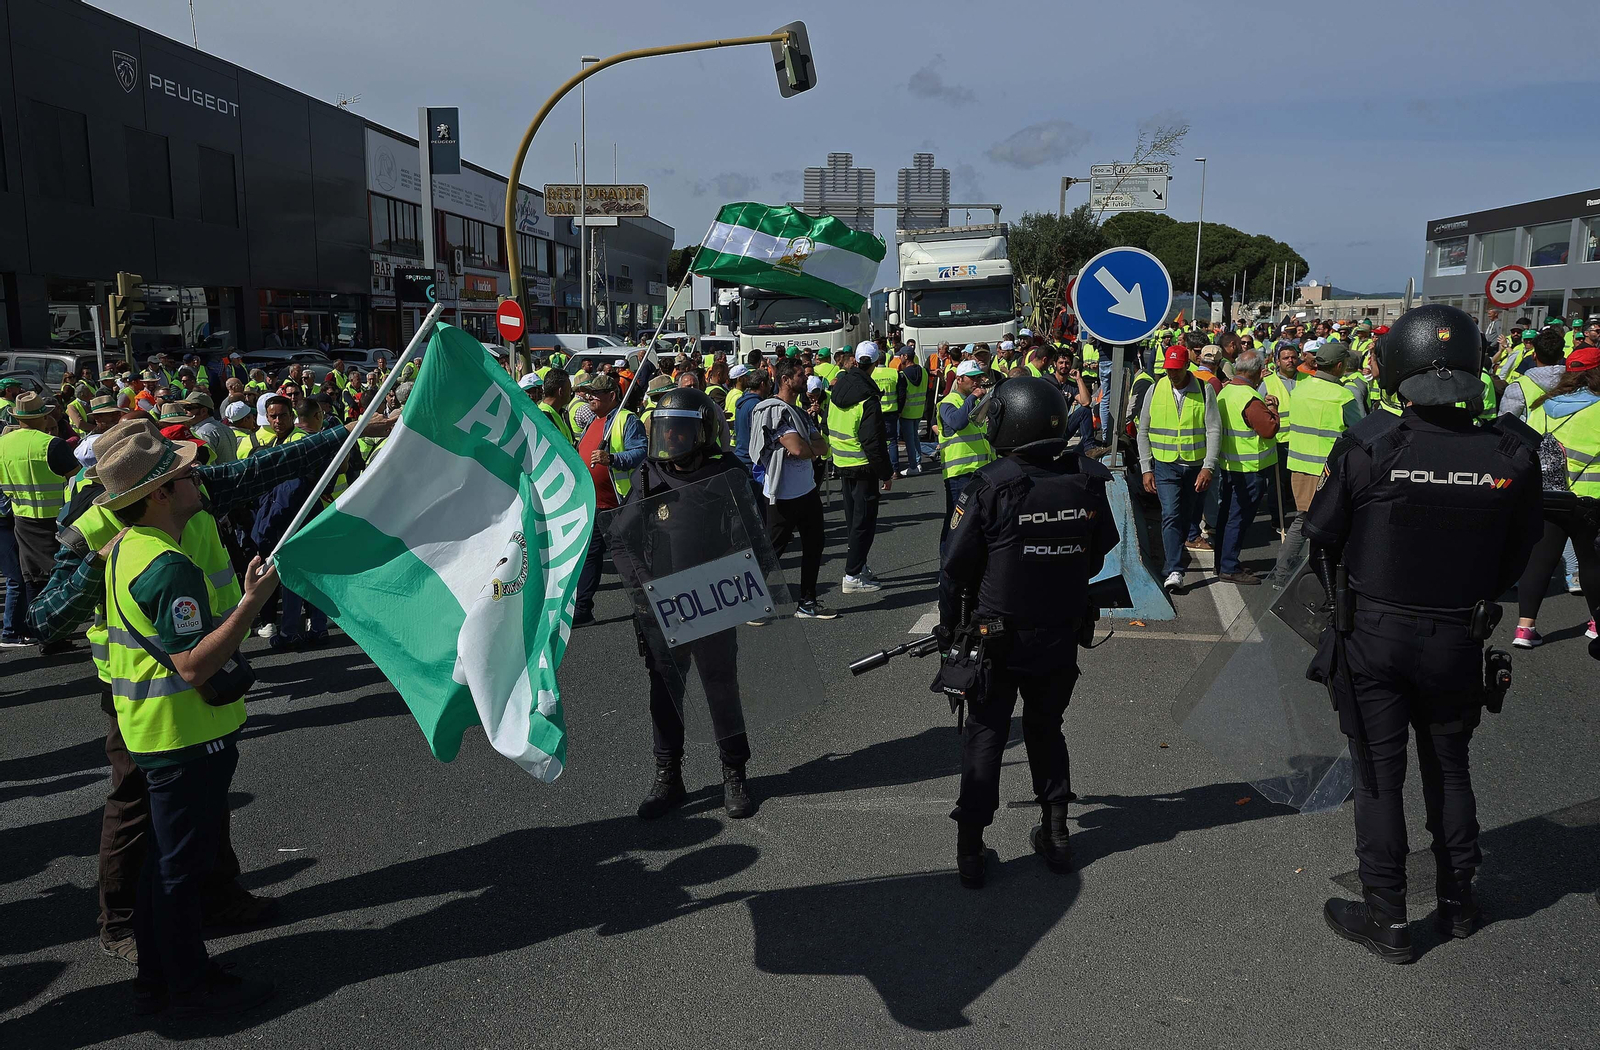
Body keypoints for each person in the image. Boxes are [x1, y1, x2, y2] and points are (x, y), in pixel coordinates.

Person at [1306, 305, 1543, 963]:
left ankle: (1388, 917)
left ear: (1398, 368)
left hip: (1373, 634)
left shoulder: (1369, 444)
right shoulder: (1512, 452)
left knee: (1378, 778)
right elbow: (1519, 554)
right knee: (1450, 769)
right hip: (1458, 634)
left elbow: (1320, 538)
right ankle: (1459, 904)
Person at [89, 421, 284, 1017]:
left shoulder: (128, 546)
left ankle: (161, 976)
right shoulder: (167, 564)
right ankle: (188, 986)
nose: (197, 478)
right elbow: (194, 665)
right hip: (185, 733)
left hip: (157, 731)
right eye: (184, 474)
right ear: (158, 494)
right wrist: (250, 604)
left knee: (164, 864)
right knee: (180, 869)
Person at [940, 377, 1118, 888]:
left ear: (1008, 422)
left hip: (996, 639)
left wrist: (950, 629)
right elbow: (1099, 552)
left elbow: (953, 568)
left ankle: (970, 849)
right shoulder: (1087, 479)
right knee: (1046, 728)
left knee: (986, 733)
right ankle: (1056, 834)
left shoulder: (990, 485)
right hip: (1060, 632)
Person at [612, 387, 757, 820]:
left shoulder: (726, 471)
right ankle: (668, 776)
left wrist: (738, 578)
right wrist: (642, 588)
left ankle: (734, 772)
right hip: (663, 604)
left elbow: (753, 534)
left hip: (711, 599)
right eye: (665, 430)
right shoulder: (649, 474)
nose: (671, 439)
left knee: (720, 687)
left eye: (679, 431)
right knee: (665, 691)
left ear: (702, 433)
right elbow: (621, 537)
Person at [1511, 344, 1600, 650]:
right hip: (1590, 499)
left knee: (1540, 560)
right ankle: (1596, 623)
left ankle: (1525, 629)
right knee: (1591, 562)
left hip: (1548, 495)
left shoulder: (1543, 406)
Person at [1265, 340, 1365, 586]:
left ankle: (1281, 574)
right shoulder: (1342, 396)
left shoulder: (1300, 390)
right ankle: (1328, 578)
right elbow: (1361, 432)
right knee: (1335, 524)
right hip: (1331, 472)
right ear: (1340, 366)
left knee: (1302, 520)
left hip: (1300, 467)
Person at [750, 360, 835, 618]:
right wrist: (807, 449)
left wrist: (807, 449)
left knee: (815, 544)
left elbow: (822, 446)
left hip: (807, 490)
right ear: (785, 379)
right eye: (800, 375)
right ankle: (751, 604)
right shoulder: (774, 412)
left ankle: (807, 602)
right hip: (783, 494)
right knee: (773, 551)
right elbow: (799, 448)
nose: (805, 379)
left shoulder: (799, 413)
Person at [1136, 346, 1220, 594]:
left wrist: (1208, 466)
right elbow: (1143, 430)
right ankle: (1174, 569)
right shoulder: (1155, 389)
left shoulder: (1204, 390)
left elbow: (1213, 429)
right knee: (1170, 515)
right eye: (1168, 370)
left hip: (1195, 467)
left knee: (1186, 517)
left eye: (1176, 369)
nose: (1172, 374)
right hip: (1165, 466)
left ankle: (1177, 553)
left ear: (1186, 366)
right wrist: (1146, 467)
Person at [0, 391, 76, 649]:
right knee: (59, 576)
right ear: (44, 417)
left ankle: (41, 632)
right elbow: (78, 479)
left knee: (33, 577)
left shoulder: (3, 444)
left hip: (21, 517)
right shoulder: (52, 444)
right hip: (56, 518)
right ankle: (53, 634)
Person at [571, 373, 647, 626]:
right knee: (591, 556)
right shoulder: (594, 421)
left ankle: (646, 606)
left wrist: (612, 459)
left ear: (612, 396)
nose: (589, 397)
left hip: (620, 503)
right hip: (596, 503)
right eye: (588, 393)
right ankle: (583, 609)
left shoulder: (626, 419)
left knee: (630, 559)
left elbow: (641, 452)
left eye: (596, 393)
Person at [828, 342, 894, 594]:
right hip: (862, 465)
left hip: (842, 461)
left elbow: (828, 422)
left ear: (855, 360)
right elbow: (873, 441)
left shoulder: (838, 387)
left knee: (853, 520)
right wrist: (886, 473)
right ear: (875, 363)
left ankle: (859, 565)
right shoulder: (868, 396)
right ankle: (852, 574)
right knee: (864, 522)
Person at [1213, 349, 1281, 584]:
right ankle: (1229, 566)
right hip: (1249, 468)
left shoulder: (1225, 392)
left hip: (1229, 464)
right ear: (1258, 372)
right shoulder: (1250, 398)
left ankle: (1223, 561)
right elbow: (1269, 430)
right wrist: (1273, 409)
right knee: (1238, 518)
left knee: (1226, 516)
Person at [936, 361, 996, 551]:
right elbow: (957, 422)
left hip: (980, 470)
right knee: (956, 523)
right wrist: (973, 398)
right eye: (972, 378)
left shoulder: (976, 402)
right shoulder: (948, 402)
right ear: (959, 379)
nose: (976, 382)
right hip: (959, 473)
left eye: (978, 377)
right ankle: (947, 563)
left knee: (978, 521)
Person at [182, 392, 238, 464]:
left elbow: (208, 464)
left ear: (203, 411)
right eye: (183, 407)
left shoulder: (202, 433)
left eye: (188, 408)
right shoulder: (226, 428)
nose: (184, 411)